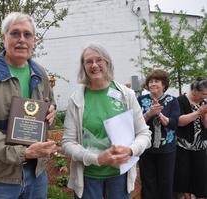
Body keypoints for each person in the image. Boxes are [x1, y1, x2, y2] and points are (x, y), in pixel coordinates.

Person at [0, 12, 59, 199]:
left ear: (34, 40)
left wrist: (52, 113)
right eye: (15, 33)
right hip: (1, 177)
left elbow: (51, 105)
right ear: (4, 38)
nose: (21, 40)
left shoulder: (40, 73)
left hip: (37, 173)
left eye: (27, 34)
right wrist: (23, 153)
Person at [61, 43, 151, 199]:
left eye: (99, 60)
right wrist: (96, 159)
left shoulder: (126, 95)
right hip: (88, 178)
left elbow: (144, 134)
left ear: (107, 63)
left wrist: (131, 150)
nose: (94, 65)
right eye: (89, 61)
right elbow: (67, 143)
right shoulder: (76, 100)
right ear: (83, 67)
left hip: (119, 176)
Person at [137, 69, 180, 199]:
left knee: (165, 182)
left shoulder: (172, 100)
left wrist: (159, 114)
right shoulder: (141, 99)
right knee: (148, 182)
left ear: (164, 85)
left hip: (167, 149)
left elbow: (173, 123)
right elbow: (136, 123)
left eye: (156, 81)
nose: (152, 84)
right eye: (150, 81)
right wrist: (149, 113)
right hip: (146, 148)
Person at [173, 77, 207, 199]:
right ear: (194, 91)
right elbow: (179, 122)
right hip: (183, 145)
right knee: (183, 177)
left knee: (201, 177)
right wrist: (198, 112)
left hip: (201, 145)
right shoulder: (179, 101)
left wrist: (203, 115)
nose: (205, 96)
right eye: (203, 93)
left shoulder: (204, 102)